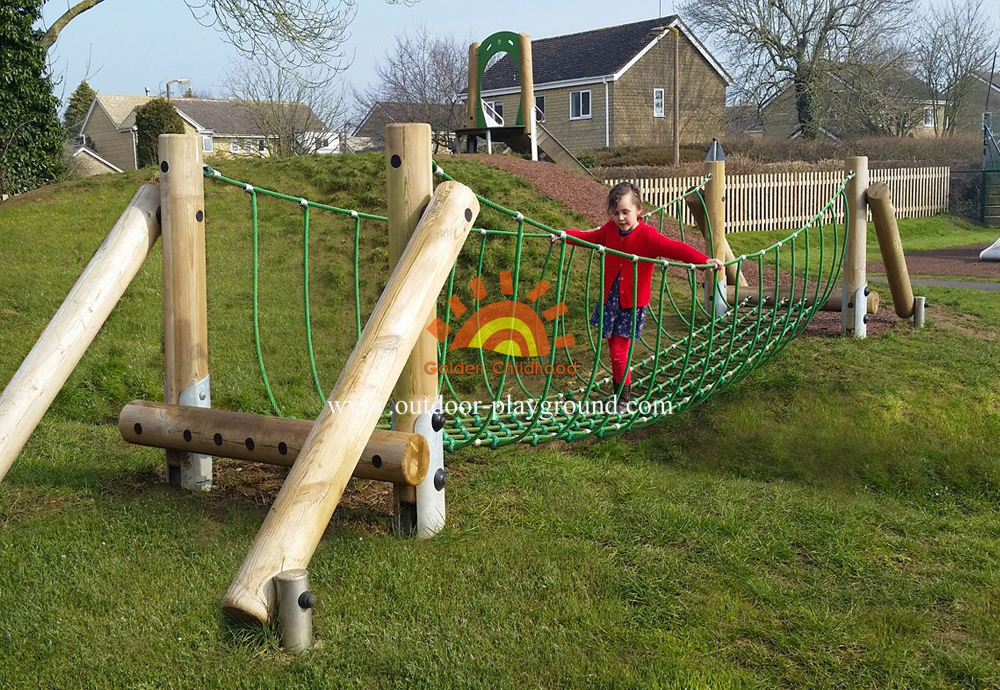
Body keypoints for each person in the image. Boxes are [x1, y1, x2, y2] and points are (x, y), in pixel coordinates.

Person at [558, 182, 722, 410]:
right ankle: (619, 395)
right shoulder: (610, 230)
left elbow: (676, 248)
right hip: (610, 301)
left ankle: (624, 400)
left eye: (626, 212)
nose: (621, 218)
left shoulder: (648, 236)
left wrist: (704, 261)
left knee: (618, 352)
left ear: (639, 210)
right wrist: (566, 236)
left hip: (631, 304)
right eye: (615, 213)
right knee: (612, 349)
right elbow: (592, 237)